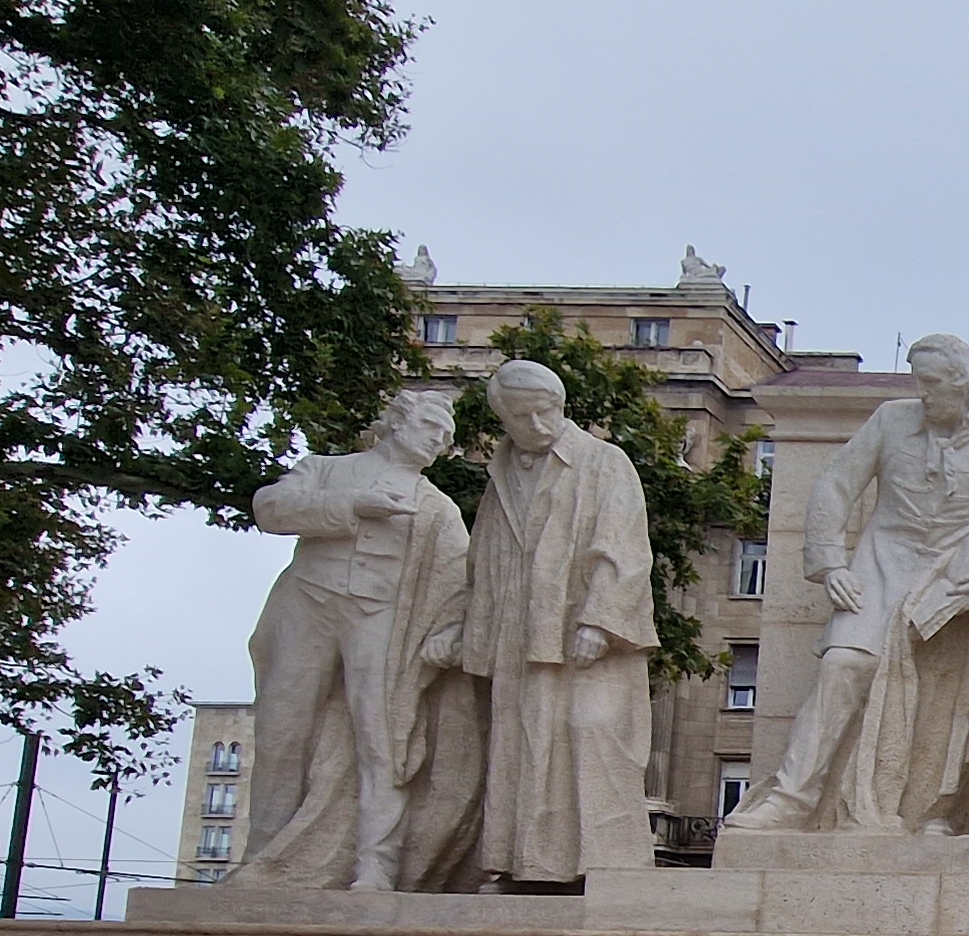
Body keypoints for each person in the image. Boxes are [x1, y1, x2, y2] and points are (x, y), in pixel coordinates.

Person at [738, 333, 969, 834]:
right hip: (879, 566)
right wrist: (831, 564)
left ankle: (930, 810)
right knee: (843, 665)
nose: (923, 392)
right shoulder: (891, 420)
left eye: (932, 383)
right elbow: (836, 484)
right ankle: (790, 799)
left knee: (943, 697)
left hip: (948, 588)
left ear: (963, 384)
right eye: (920, 382)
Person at [236, 380, 482, 891]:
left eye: (445, 437)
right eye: (430, 427)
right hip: (307, 604)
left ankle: (376, 864)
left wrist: (451, 631)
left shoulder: (437, 508)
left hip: (380, 618)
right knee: (282, 731)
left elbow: (459, 581)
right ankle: (264, 854)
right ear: (397, 421)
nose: (438, 441)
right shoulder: (328, 470)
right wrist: (350, 506)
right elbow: (271, 508)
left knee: (383, 736)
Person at [455, 359, 657, 885]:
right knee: (520, 746)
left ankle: (603, 865)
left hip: (584, 635)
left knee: (593, 737)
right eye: (523, 417)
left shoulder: (603, 462)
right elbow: (482, 560)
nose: (539, 425)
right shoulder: (499, 476)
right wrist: (471, 632)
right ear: (503, 418)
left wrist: (601, 621)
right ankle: (524, 865)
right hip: (516, 635)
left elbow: (623, 547)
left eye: (547, 411)